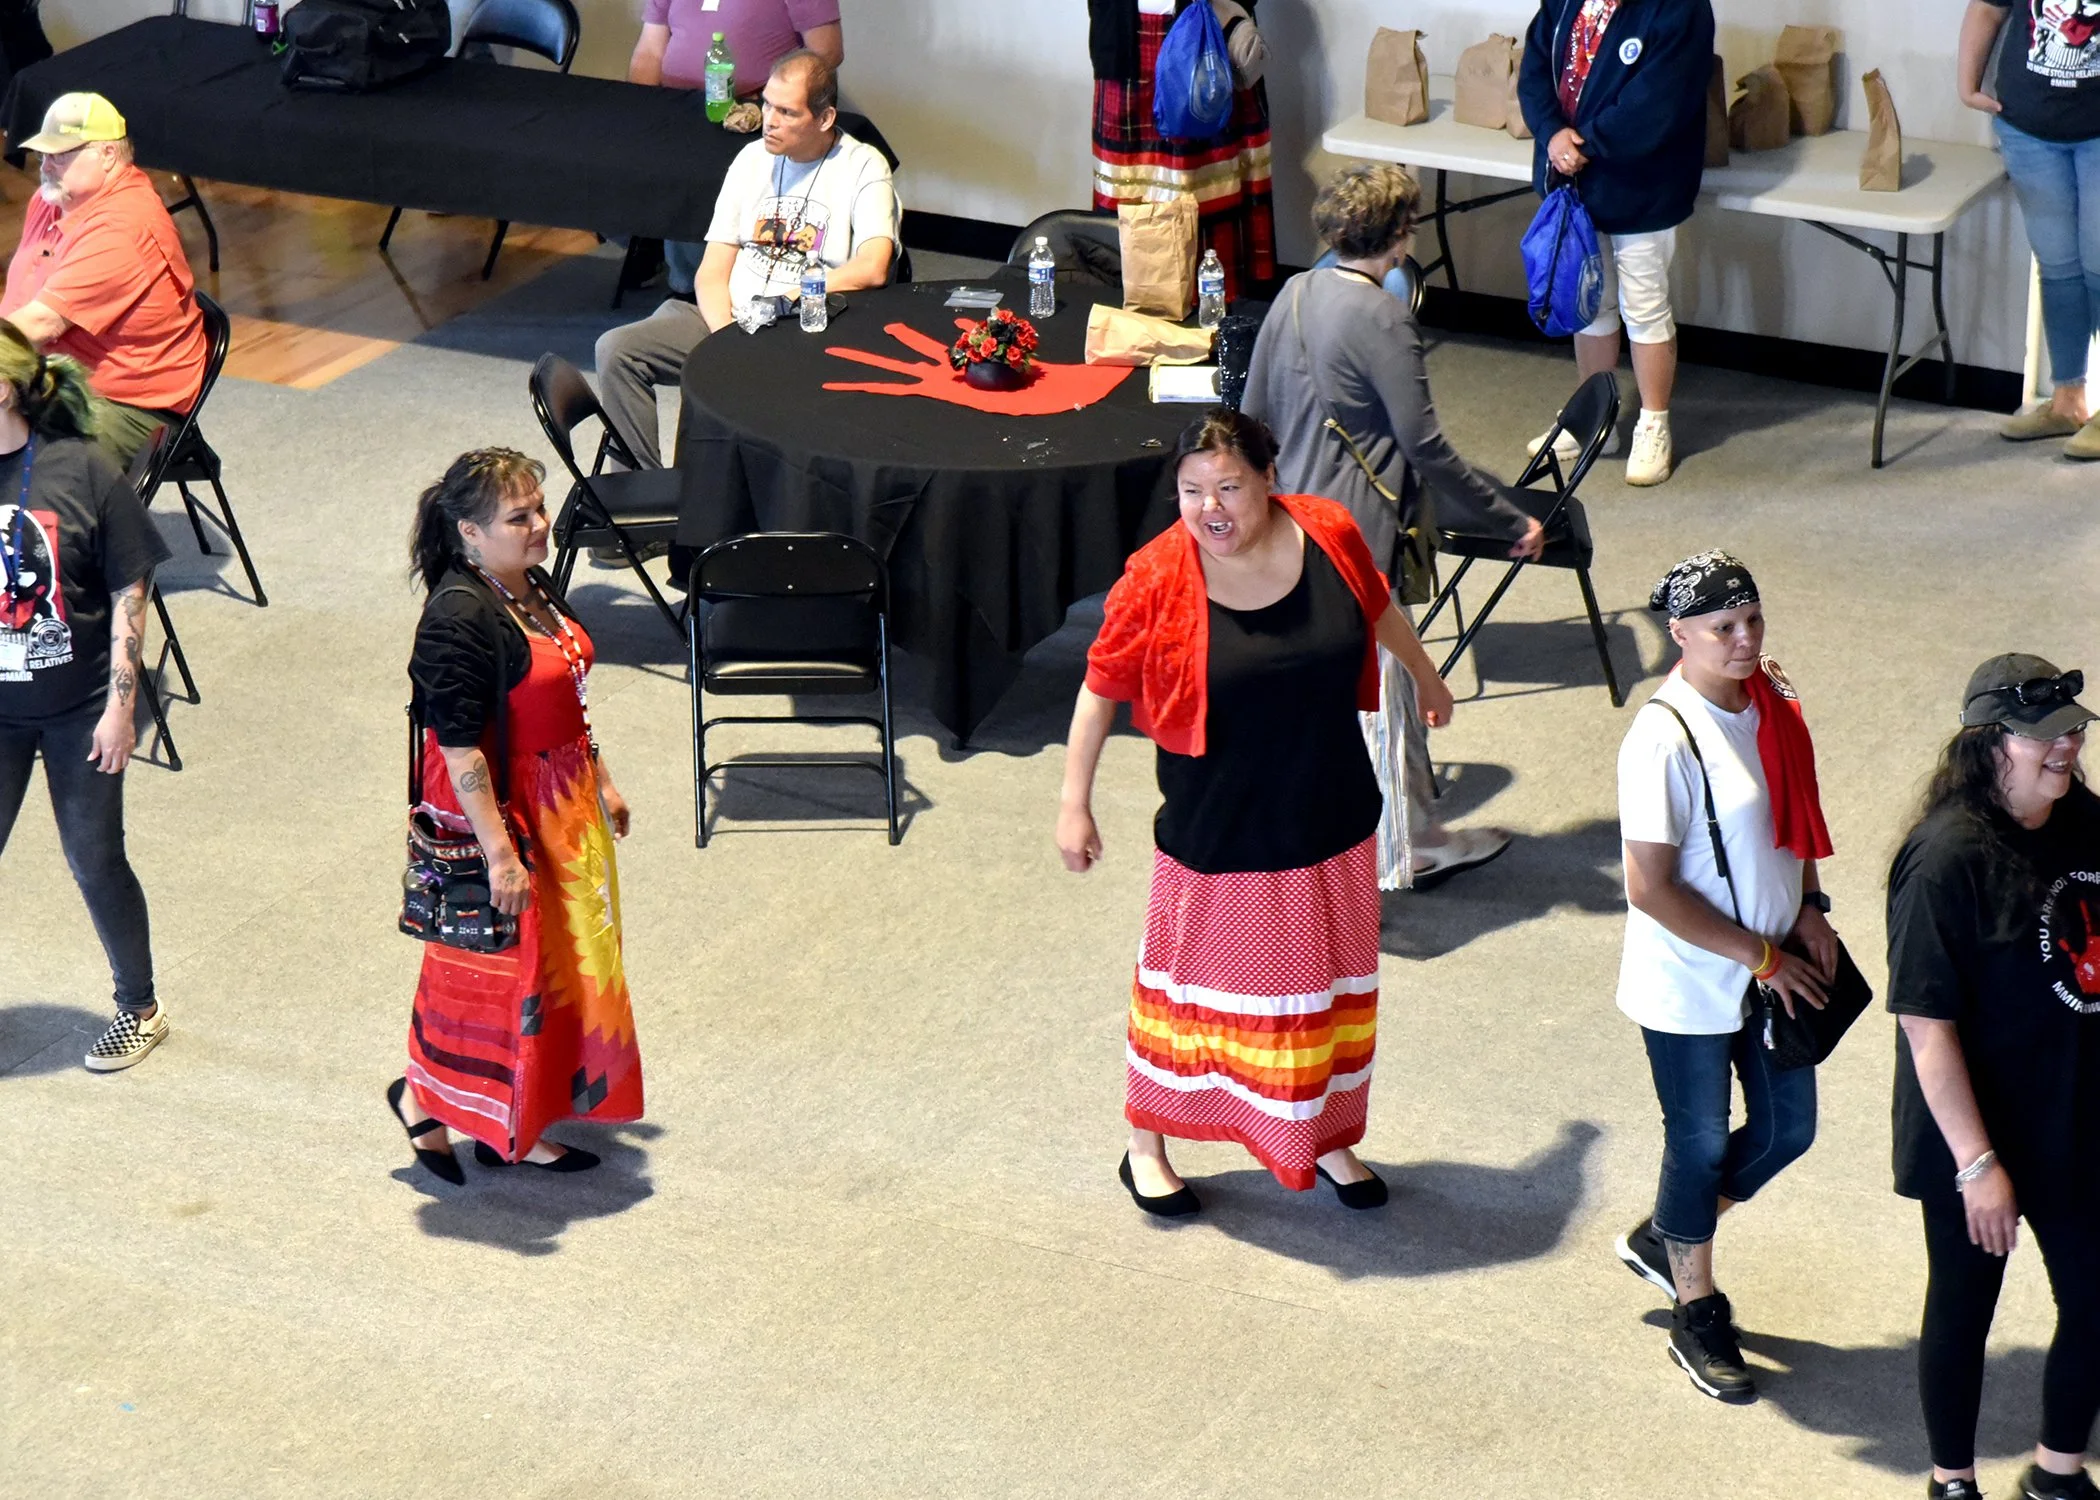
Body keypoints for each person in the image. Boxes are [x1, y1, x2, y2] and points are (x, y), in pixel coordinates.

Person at [1057, 408, 1458, 1216]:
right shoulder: (1156, 575)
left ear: (1270, 481)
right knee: (1192, 996)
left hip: (1330, 809)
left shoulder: (1328, 532)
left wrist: (1425, 674)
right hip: (1221, 826)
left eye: (1229, 487)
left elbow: (1376, 606)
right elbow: (1100, 688)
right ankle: (1146, 1145)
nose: (1211, 508)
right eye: (1191, 490)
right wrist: (1075, 804)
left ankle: (1325, 1134)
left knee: (1326, 990)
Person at [1244, 163, 1545, 891]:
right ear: (1401, 235)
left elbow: (1252, 415)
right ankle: (1407, 847)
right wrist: (1508, 518)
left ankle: (1391, 830)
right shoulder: (1384, 317)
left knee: (1351, 687)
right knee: (1385, 691)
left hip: (1293, 526)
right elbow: (1426, 447)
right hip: (1359, 537)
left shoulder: (1294, 292)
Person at [1611, 551, 1838, 1404]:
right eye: (1722, 628)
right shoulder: (1660, 739)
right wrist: (1761, 956)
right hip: (1692, 980)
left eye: (1752, 620)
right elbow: (1649, 888)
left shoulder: (1769, 697)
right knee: (1700, 1141)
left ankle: (1671, 1231)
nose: (1744, 639)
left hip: (1773, 961)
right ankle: (1696, 1308)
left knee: (1788, 1130)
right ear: (1679, 634)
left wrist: (1810, 904)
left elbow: (1795, 811)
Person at [389, 449, 644, 1183]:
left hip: (561, 803)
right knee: (500, 971)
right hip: (504, 815)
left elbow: (567, 693)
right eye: (519, 517)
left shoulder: (526, 583)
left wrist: (600, 780)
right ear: (470, 532)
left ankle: (487, 1111)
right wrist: (500, 854)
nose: (540, 525)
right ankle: (452, 1106)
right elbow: (459, 749)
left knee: (557, 963)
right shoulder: (457, 617)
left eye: (539, 508)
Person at [1888, 654, 2100, 1500]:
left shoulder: (2082, 819)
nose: (2066, 746)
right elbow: (1925, 1026)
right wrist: (1978, 1166)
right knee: (1964, 1305)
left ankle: (2057, 1474)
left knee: (2095, 1297)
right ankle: (1952, 1482)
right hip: (1976, 1129)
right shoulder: (1945, 860)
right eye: (2044, 735)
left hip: (2073, 1115)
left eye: (2073, 730)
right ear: (1989, 744)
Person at [593, 50, 898, 471]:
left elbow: (874, 266)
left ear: (825, 118)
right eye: (767, 104)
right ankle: (643, 490)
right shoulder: (751, 159)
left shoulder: (862, 166)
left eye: (787, 112)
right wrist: (726, 338)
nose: (769, 120)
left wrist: (789, 298)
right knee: (618, 350)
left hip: (800, 327)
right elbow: (711, 272)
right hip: (728, 322)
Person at [0, 321, 171, 1071]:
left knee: (95, 859)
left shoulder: (82, 468)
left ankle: (140, 1007)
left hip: (81, 710)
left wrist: (121, 708)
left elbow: (131, 587)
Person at [1517, 0, 1716, 486]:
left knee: (1644, 304)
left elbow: (1659, 100)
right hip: (1574, 179)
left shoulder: (1681, 9)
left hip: (1641, 186)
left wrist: (1584, 144)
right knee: (1590, 302)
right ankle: (1592, 420)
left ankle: (1653, 424)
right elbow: (1536, 67)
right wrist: (1552, 134)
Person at [0, 93, 209, 474]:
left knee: (36, 471)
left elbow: (41, 323)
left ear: (108, 155)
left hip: (127, 401)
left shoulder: (122, 226)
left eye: (59, 155)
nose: (45, 165)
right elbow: (19, 301)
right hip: (56, 373)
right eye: (43, 154)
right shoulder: (51, 200)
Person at [1957, 3, 2100, 459]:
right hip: (2029, 127)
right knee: (2058, 266)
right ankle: (2067, 402)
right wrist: (1967, 84)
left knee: (2099, 265)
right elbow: (1987, 8)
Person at [628, 0, 846, 297]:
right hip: (677, 111)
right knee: (616, 163)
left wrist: (773, 99)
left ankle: (702, 287)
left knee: (704, 181)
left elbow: (827, 52)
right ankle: (670, 263)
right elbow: (650, 51)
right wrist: (642, 110)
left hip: (753, 114)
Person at [1088, 0, 1276, 302]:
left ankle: (1215, 294)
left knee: (1204, 183)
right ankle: (1134, 292)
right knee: (1130, 183)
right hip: (1124, 43)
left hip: (1206, 43)